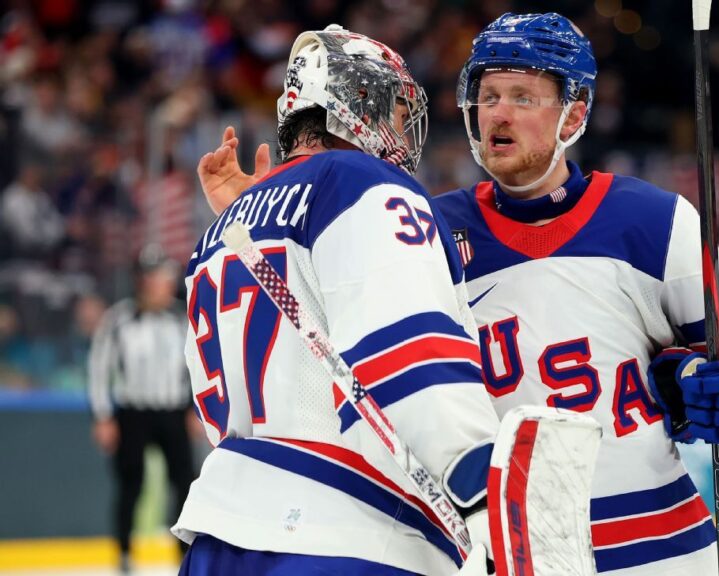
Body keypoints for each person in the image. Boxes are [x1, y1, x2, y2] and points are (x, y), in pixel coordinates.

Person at [196, 13, 719, 574]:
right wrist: (278, 225)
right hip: (504, 549)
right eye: (487, 97)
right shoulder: (423, 227)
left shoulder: (659, 221)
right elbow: (337, 365)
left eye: (522, 97)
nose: (498, 114)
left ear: (572, 114)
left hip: (659, 550)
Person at [173, 26, 498, 576]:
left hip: (220, 536)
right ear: (356, 105)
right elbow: (413, 359)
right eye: (396, 112)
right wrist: (488, 496)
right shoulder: (365, 184)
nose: (403, 131)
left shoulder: (221, 229)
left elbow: (218, 401)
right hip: (350, 531)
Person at [88, 247, 195, 574]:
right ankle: (123, 552)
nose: (158, 283)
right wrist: (103, 416)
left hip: (174, 410)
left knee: (185, 483)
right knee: (130, 483)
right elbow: (98, 368)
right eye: (152, 276)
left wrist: (197, 409)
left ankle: (183, 553)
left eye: (163, 276)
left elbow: (198, 366)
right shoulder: (118, 319)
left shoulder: (182, 318)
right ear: (140, 280)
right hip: (133, 412)